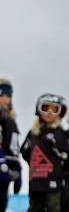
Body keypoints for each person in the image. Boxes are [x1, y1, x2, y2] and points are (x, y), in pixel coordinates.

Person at [21, 94, 69, 212]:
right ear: (38, 109)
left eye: (54, 109)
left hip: (54, 180)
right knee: (35, 207)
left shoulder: (61, 133)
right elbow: (24, 151)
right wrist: (35, 165)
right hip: (36, 181)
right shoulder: (33, 133)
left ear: (60, 112)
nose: (49, 112)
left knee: (54, 207)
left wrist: (62, 168)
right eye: (45, 108)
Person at [0, 80, 21, 211]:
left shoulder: (10, 119)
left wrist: (18, 168)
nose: (5, 99)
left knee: (2, 204)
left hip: (8, 172)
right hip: (2, 168)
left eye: (8, 96)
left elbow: (14, 146)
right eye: (1, 95)